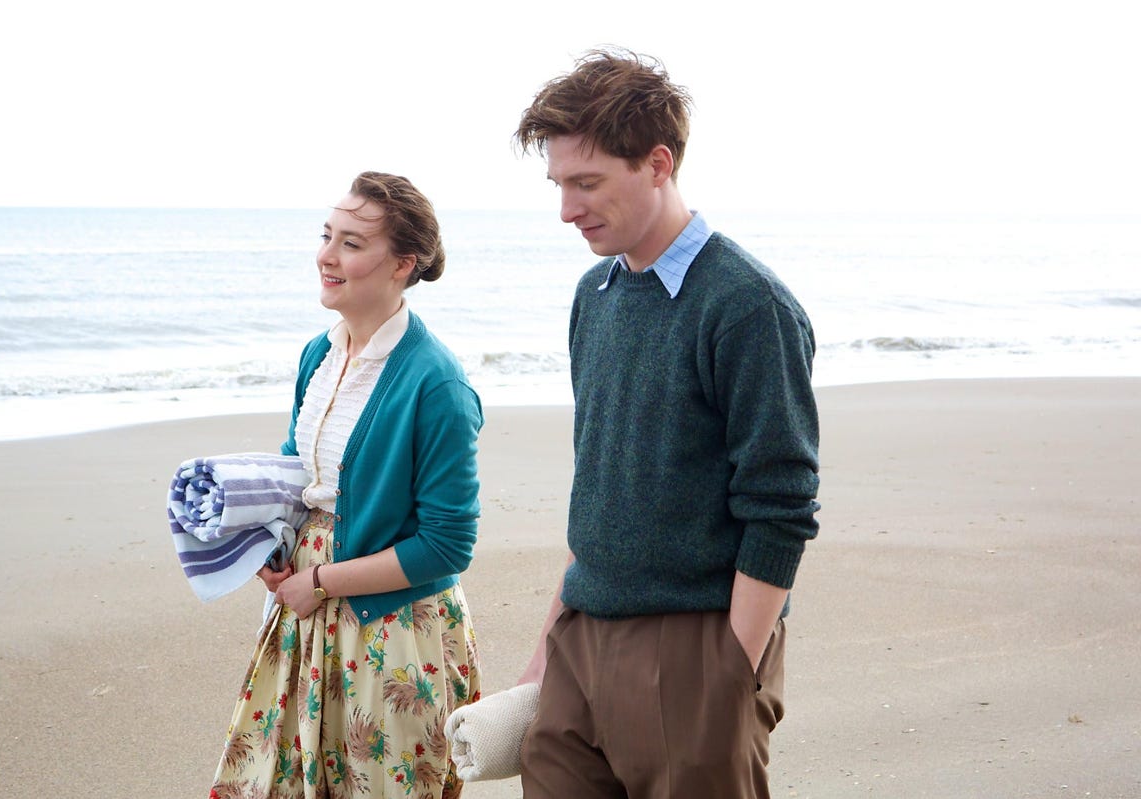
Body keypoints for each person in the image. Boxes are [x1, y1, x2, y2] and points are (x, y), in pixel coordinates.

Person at [512, 49, 821, 798]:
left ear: (657, 163)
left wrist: (730, 669)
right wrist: (548, 647)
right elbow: (602, 484)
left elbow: (781, 503)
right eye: (559, 185)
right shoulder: (594, 295)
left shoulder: (747, 305)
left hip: (694, 641)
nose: (567, 210)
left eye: (587, 183)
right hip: (581, 634)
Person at [210, 172, 484, 798]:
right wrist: (270, 551)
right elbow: (297, 473)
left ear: (403, 264)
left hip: (391, 628)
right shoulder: (319, 354)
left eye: (352, 243)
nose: (326, 256)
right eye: (327, 236)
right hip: (304, 613)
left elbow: (447, 545)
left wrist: (320, 582)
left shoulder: (436, 383)